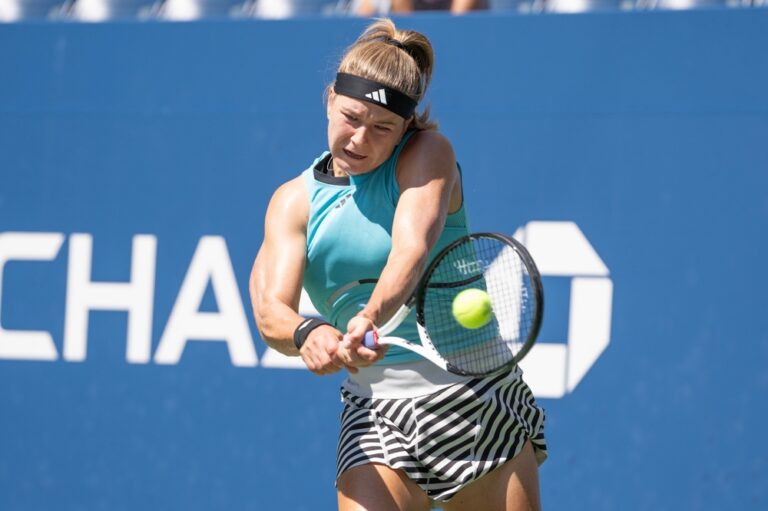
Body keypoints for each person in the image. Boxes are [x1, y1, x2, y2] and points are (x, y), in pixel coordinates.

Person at [249, 18, 546, 511]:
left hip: (475, 398)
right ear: (329, 99)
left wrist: (368, 316)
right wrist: (309, 334)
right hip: (376, 411)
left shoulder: (430, 153)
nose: (360, 139)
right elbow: (270, 311)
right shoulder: (292, 202)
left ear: (406, 126)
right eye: (350, 117)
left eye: (382, 127)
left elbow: (411, 252)